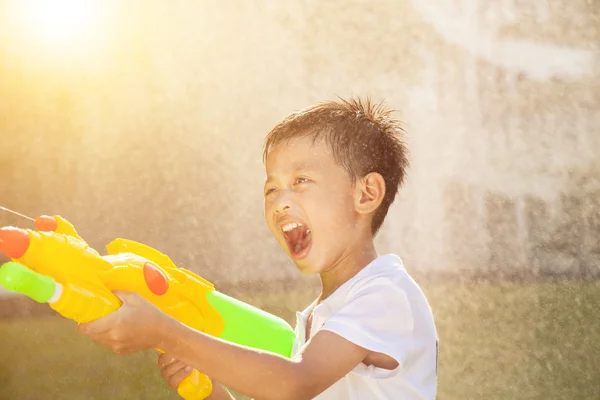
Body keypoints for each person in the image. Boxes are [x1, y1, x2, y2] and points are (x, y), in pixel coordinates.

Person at [78, 97, 439, 400]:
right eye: (271, 189)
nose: (281, 201)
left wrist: (166, 333)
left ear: (366, 194)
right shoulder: (320, 316)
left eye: (301, 181)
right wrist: (210, 391)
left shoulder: (386, 295)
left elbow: (293, 383)